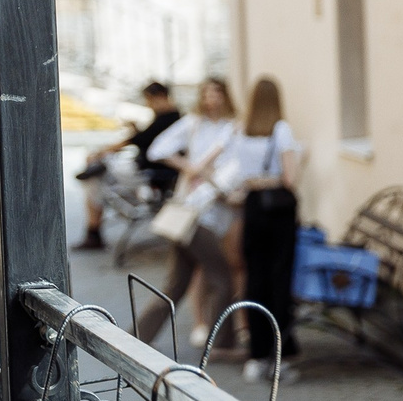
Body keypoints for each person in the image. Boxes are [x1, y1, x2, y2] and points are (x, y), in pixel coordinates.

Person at [132, 76, 243, 352]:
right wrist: (189, 167)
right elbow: (158, 150)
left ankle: (136, 336)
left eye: (217, 93)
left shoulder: (234, 127)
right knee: (222, 278)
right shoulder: (193, 123)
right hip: (194, 212)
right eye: (207, 94)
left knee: (176, 284)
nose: (211, 99)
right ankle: (222, 344)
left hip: (213, 212)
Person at [216, 75, 305, 378]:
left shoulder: (240, 129)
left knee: (255, 278)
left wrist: (251, 182)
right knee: (280, 279)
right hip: (278, 210)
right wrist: (269, 179)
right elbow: (290, 178)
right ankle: (282, 355)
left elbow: (233, 171)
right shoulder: (281, 129)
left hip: (252, 208)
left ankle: (256, 354)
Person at [73, 79, 181, 251]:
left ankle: (93, 232)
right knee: (95, 180)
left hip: (150, 175)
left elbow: (139, 140)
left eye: (150, 100)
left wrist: (104, 151)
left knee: (95, 180)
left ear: (160, 97)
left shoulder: (170, 118)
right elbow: (143, 139)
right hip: (145, 172)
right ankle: (93, 230)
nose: (149, 105)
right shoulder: (167, 118)